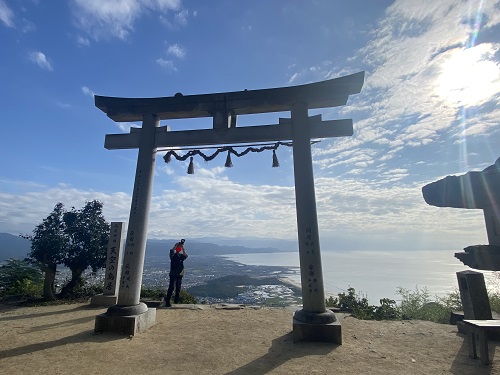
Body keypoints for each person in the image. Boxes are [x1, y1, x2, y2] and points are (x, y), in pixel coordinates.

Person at [165, 239, 188, 307]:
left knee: (177, 288)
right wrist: (176, 246)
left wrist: (182, 247)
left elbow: (186, 255)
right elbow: (172, 251)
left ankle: (175, 301)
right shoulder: (173, 256)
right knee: (172, 288)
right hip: (175, 274)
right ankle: (168, 301)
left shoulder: (179, 256)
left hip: (178, 274)